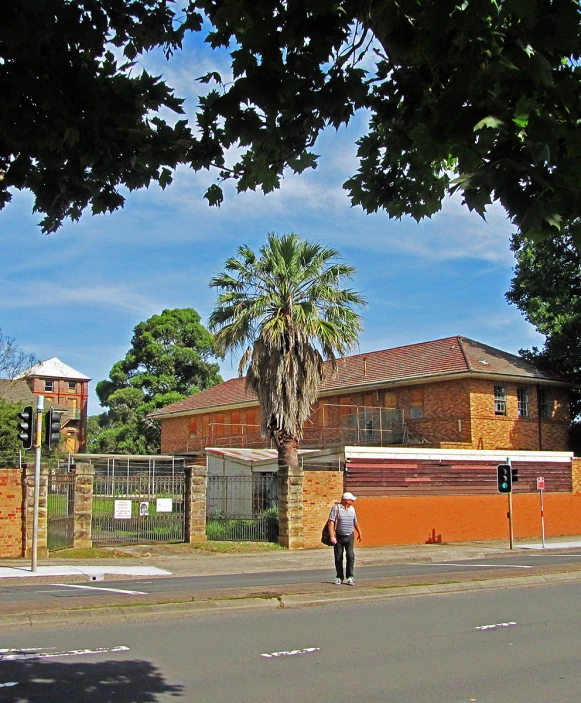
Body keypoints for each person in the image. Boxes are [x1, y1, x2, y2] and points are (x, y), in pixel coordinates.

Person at [328, 491, 362, 586]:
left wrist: (359, 532)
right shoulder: (336, 508)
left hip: (350, 536)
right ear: (347, 500)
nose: (353, 501)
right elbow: (331, 522)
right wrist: (332, 536)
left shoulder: (352, 509)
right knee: (339, 557)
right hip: (339, 536)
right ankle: (339, 577)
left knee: (350, 556)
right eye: (351, 500)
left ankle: (350, 576)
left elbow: (355, 522)